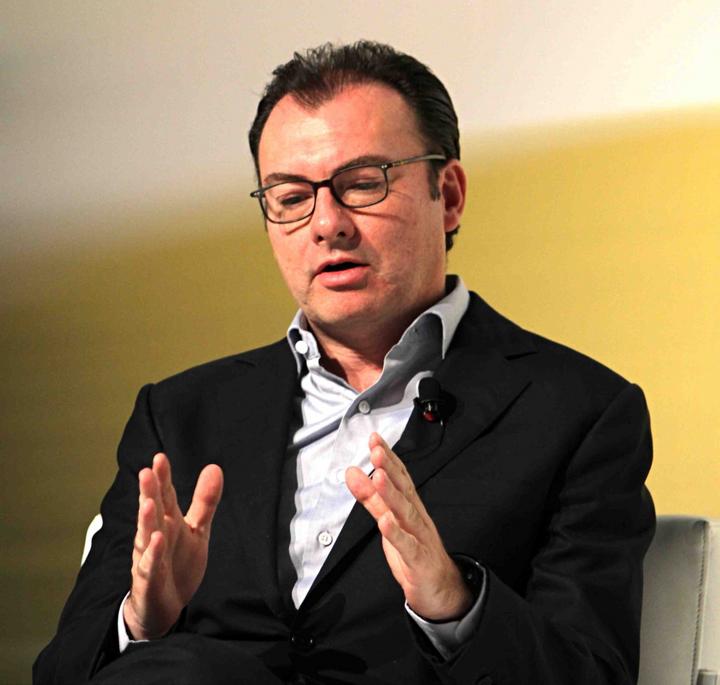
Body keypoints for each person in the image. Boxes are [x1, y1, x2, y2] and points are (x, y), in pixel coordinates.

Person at [34, 41, 655, 685]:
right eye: (290, 197)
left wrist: (453, 603)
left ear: (448, 195)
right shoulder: (181, 415)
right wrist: (141, 623)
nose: (327, 224)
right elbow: (61, 670)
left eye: (363, 184)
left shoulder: (577, 411)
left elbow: (591, 672)